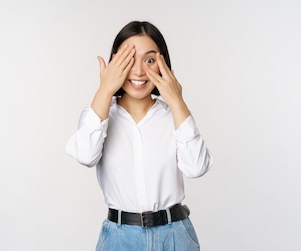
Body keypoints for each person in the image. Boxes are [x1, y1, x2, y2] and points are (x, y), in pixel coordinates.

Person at [65, 21, 213, 250]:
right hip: (119, 238)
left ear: (162, 64)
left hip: (175, 236)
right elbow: (85, 155)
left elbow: (197, 167)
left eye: (150, 60)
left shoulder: (172, 115)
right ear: (115, 63)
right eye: (128, 59)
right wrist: (105, 89)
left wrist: (177, 101)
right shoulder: (99, 113)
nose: (138, 71)